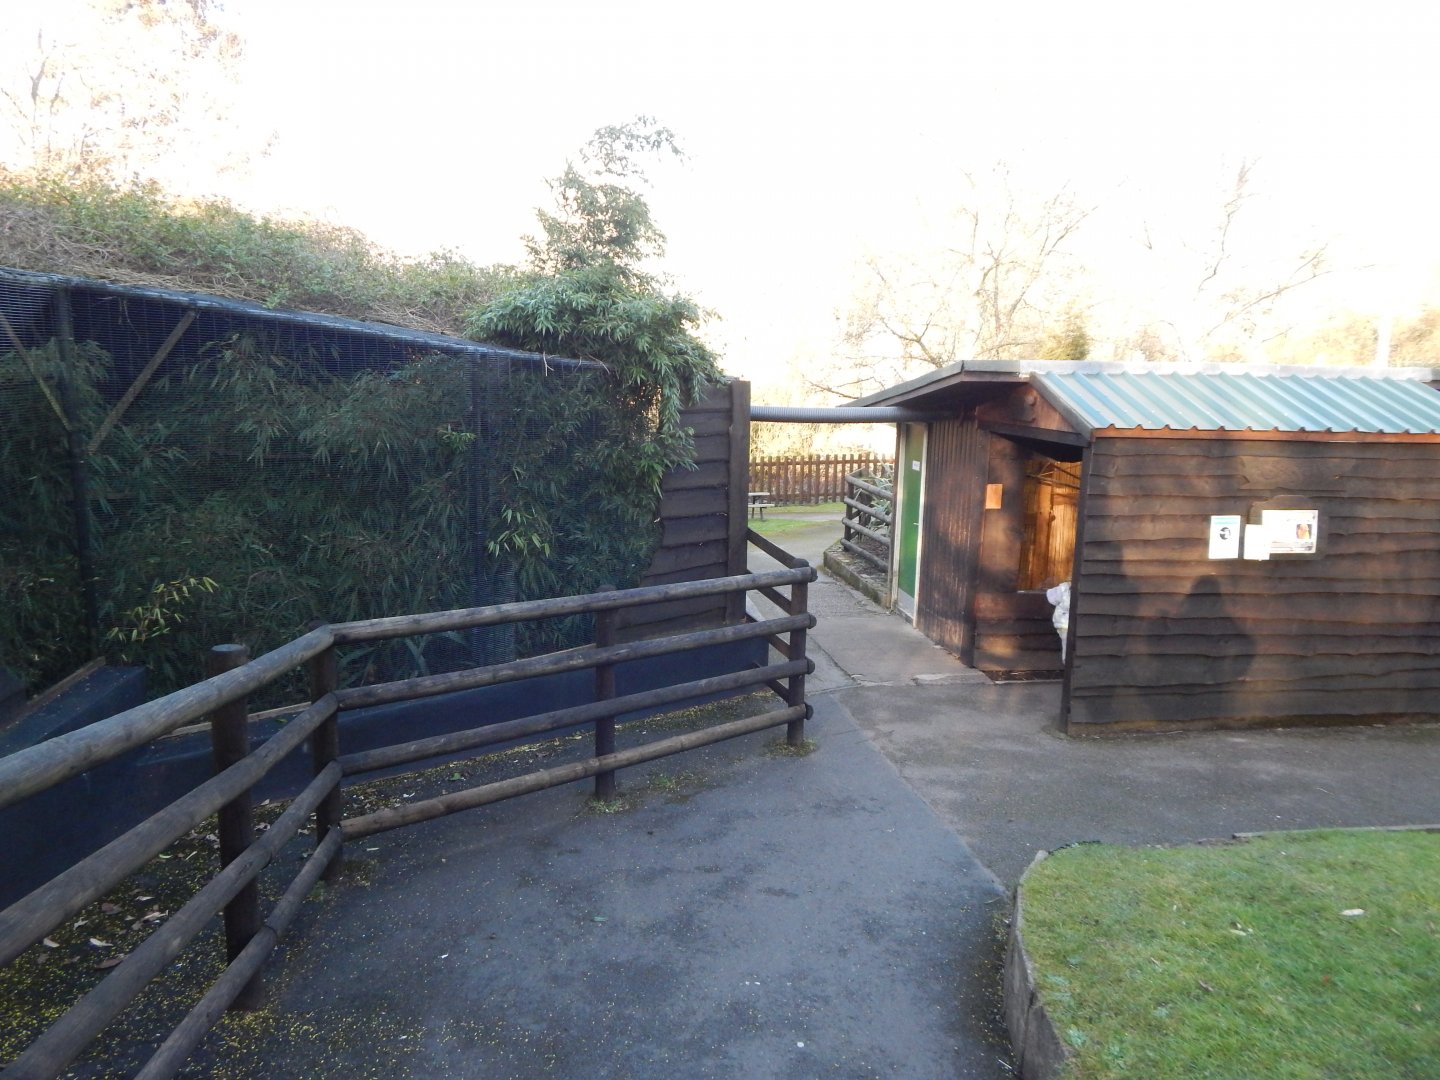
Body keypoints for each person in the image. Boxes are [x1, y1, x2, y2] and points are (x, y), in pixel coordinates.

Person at [1045, 581, 1071, 661]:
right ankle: (1067, 662)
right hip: (1064, 623)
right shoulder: (1064, 588)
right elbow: (1052, 598)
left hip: (1076, 623)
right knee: (1067, 641)